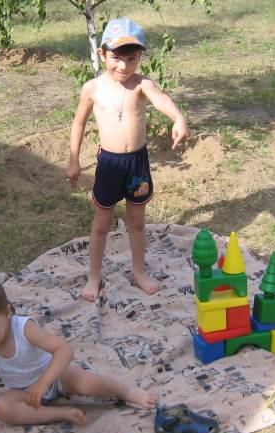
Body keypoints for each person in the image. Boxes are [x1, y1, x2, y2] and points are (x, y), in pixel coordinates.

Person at [67, 18, 190, 302]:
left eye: (132, 58)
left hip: (137, 164)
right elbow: (78, 124)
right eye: (116, 58)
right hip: (109, 164)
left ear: (140, 58)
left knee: (136, 221)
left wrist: (178, 118)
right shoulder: (92, 88)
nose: (123, 66)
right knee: (102, 223)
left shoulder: (142, 84)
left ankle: (138, 271)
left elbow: (161, 99)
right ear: (102, 54)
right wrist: (74, 160)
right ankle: (94, 276)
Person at [0, 274, 157, 433]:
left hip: (56, 375)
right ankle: (61, 414)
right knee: (2, 408)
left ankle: (126, 391)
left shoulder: (24, 329)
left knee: (88, 384)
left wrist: (43, 382)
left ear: (7, 313)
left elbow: (64, 350)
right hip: (23, 392)